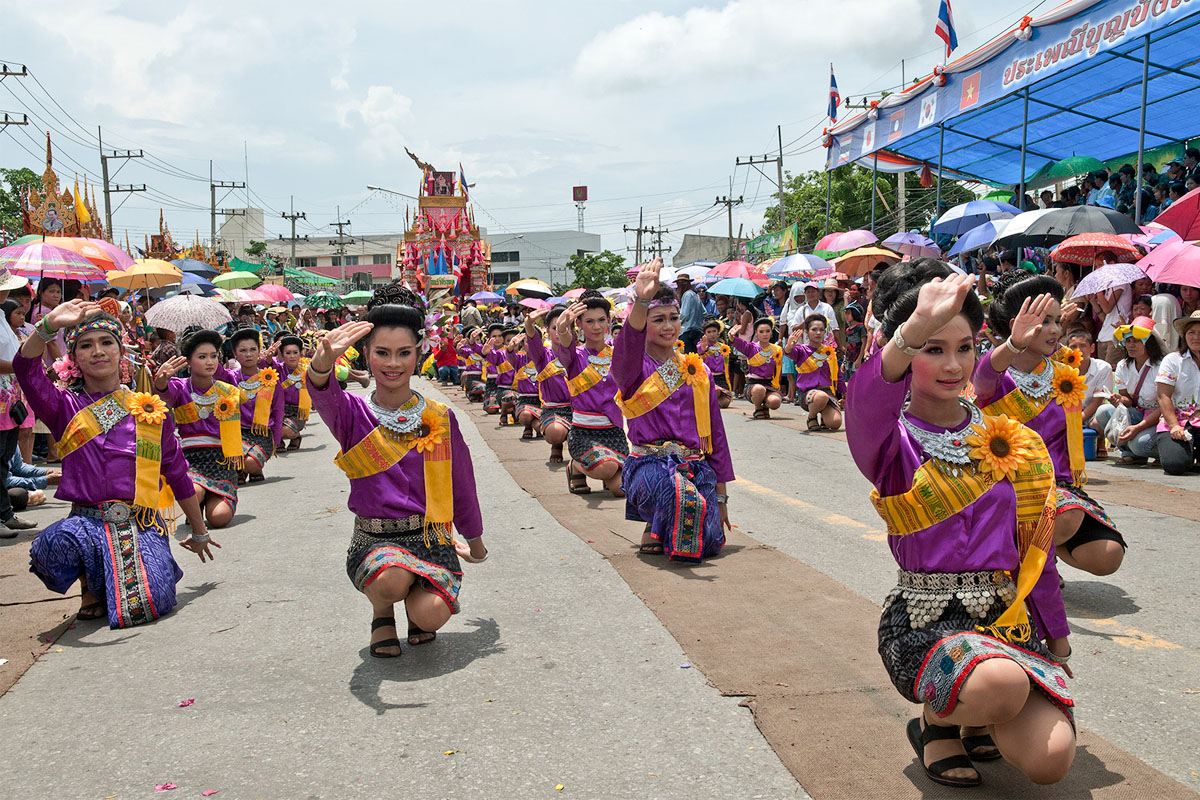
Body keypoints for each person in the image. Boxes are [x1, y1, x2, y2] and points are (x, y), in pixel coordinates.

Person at [846, 261, 1074, 789]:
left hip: (1006, 621)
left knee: (1051, 760)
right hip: (926, 623)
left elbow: (1033, 550)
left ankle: (974, 716)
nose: (953, 364)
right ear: (908, 349)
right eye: (934, 348)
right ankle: (936, 724)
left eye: (964, 347)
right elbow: (868, 394)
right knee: (1000, 683)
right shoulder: (887, 441)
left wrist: (1056, 636)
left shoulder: (1010, 440)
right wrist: (912, 329)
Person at [306, 289, 487, 658]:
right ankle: (382, 610)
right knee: (391, 579)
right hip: (376, 543)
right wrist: (322, 364)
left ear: (419, 353)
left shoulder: (439, 416)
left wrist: (476, 540)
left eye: (404, 353)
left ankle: (417, 608)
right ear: (366, 355)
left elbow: (462, 485)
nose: (393, 363)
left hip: (432, 538)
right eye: (382, 353)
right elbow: (324, 393)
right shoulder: (352, 414)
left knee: (432, 615)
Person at [15, 300, 218, 626]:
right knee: (49, 547)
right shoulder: (63, 407)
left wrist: (199, 530)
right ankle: (91, 585)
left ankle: (127, 576)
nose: (98, 351)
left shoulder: (149, 411)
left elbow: (177, 472)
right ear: (75, 358)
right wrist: (46, 327)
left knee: (151, 602)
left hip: (138, 524)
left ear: (121, 352)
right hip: (85, 524)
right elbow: (25, 368)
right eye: (86, 345)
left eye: (106, 342)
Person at [973, 272, 1126, 640]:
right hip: (1005, 490)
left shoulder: (1062, 371)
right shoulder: (996, 374)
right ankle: (1024, 571)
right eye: (1046, 321)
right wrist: (1012, 344)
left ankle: (1042, 560)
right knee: (1064, 514)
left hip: (1057, 487)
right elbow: (982, 377)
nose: (1057, 328)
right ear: (1016, 326)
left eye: (1059, 319)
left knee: (1107, 554)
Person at [614, 258, 734, 562]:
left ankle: (659, 530)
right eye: (658, 319)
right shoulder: (633, 368)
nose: (669, 326)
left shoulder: (696, 368)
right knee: (675, 493)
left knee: (709, 541)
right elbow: (628, 344)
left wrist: (720, 496)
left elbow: (714, 435)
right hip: (650, 467)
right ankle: (657, 524)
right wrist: (642, 300)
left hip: (695, 466)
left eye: (674, 317)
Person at [153, 330, 244, 528]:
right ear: (188, 361)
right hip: (191, 460)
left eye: (213, 356)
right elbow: (163, 394)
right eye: (202, 357)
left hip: (222, 461)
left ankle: (215, 500)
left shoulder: (227, 390)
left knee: (218, 519)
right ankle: (196, 502)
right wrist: (161, 380)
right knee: (193, 491)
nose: (209, 362)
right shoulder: (180, 387)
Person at [553, 290, 628, 496]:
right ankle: (575, 467)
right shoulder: (574, 356)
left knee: (622, 490)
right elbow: (565, 342)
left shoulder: (617, 354)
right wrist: (562, 327)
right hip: (584, 433)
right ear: (578, 324)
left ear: (609, 320)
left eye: (601, 320)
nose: (597, 327)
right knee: (606, 467)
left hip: (613, 432)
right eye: (589, 321)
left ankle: (605, 471)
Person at [218, 328, 284, 483]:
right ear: (235, 354)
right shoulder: (229, 377)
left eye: (253, 350)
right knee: (232, 460)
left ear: (259, 352)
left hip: (263, 434)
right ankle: (242, 469)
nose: (248, 354)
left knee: (249, 463)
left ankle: (250, 467)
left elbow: (278, 410)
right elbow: (215, 373)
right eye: (243, 350)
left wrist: (276, 438)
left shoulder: (270, 378)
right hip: (237, 434)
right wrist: (217, 348)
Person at [0, 275, 38, 535]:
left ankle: (5, 514)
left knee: (4, 459)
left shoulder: (2, 318)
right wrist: (21, 366)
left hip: (9, 399)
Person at [1099, 317, 1163, 464]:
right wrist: (1119, 400)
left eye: (1136, 341)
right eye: (1128, 341)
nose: (1131, 345)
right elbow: (1127, 400)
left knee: (1140, 445)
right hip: (1138, 414)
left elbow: (1164, 407)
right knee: (1103, 412)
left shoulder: (1160, 367)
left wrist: (1138, 427)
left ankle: (1161, 453)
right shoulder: (1123, 366)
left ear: (1149, 343)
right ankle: (1129, 453)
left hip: (1158, 418)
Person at [524, 307, 571, 463]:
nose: (560, 331)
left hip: (579, 409)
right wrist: (529, 326)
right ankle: (557, 444)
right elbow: (533, 340)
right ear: (547, 331)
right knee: (555, 432)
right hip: (553, 409)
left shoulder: (579, 352)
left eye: (565, 326)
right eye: (555, 328)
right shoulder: (542, 355)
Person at [1156, 311, 1200, 474]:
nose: (1196, 337)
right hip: (1177, 420)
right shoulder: (1173, 360)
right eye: (1191, 333)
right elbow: (1163, 395)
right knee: (1175, 464)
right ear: (1184, 335)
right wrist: (1174, 425)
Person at [785, 314, 844, 431]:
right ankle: (811, 418)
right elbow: (789, 353)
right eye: (814, 329)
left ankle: (823, 416)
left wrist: (844, 395)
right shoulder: (801, 350)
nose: (818, 333)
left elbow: (838, 375)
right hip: (807, 394)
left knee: (835, 423)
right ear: (806, 332)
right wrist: (789, 346)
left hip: (827, 393)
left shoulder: (829, 352)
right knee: (820, 397)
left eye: (821, 330)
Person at [1064, 329, 1113, 458]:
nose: (1078, 350)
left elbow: (1097, 401)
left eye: (1082, 345)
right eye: (1073, 346)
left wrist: (1079, 418)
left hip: (1091, 413)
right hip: (1068, 411)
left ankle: (1100, 440)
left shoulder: (1103, 368)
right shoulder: (1062, 367)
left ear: (1092, 348)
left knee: (1102, 415)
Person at [731, 317, 782, 419]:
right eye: (761, 332)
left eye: (767, 331)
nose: (765, 334)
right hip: (753, 385)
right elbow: (740, 344)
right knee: (759, 389)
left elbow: (778, 371)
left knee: (775, 402)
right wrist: (732, 337)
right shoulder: (751, 348)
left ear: (771, 333)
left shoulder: (777, 349)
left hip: (769, 384)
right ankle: (758, 408)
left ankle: (765, 406)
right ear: (756, 333)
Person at [272, 335, 310, 452]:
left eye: (295, 352)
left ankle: (295, 436)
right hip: (277, 410)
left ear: (301, 353)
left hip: (297, 412)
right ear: (282, 354)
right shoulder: (277, 368)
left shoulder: (307, 369)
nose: (292, 356)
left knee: (285, 431)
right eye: (288, 353)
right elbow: (263, 364)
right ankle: (279, 441)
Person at [698, 319, 733, 408]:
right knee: (716, 391)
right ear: (705, 334)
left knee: (725, 403)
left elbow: (727, 366)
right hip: (708, 378)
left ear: (718, 332)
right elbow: (700, 351)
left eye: (714, 331)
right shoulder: (702, 344)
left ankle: (710, 402)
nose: (712, 334)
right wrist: (703, 348)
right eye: (709, 332)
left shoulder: (724, 347)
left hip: (721, 379)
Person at [677, 274, 704, 353]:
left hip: (687, 332)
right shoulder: (695, 295)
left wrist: (676, 322)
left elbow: (684, 314)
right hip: (698, 331)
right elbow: (704, 312)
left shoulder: (687, 295)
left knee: (687, 359)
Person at [459, 326, 487, 402]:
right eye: (473, 339)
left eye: (477, 339)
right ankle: (470, 392)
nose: (476, 342)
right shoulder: (468, 350)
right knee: (482, 387)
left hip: (482, 377)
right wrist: (458, 347)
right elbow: (461, 351)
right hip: (471, 378)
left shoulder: (483, 349)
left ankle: (476, 396)